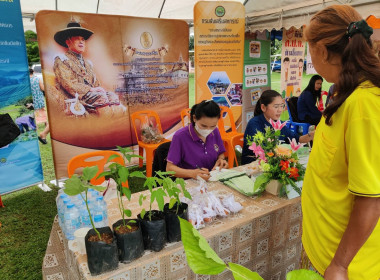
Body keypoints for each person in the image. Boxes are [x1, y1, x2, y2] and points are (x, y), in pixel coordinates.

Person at [301, 5, 380, 280]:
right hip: (325, 247)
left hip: (347, 265)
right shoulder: (345, 90)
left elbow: (371, 198)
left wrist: (340, 265)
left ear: (322, 50)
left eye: (310, 50)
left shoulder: (363, 105)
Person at [53, 21, 119, 112]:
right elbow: (68, 84)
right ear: (68, 42)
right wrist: (91, 89)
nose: (81, 42)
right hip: (76, 97)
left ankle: (116, 122)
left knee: (112, 96)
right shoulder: (61, 60)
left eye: (83, 39)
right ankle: (106, 123)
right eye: (77, 39)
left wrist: (98, 89)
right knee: (101, 97)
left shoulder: (88, 63)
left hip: (91, 96)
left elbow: (96, 83)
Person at [241, 90, 314, 165]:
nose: (280, 110)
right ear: (263, 107)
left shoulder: (279, 123)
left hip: (274, 163)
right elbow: (265, 151)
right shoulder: (254, 124)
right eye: (276, 106)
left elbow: (297, 139)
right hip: (254, 166)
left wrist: (312, 134)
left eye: (282, 106)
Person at [166, 100, 228, 180]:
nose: (208, 130)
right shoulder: (180, 137)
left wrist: (221, 160)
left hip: (211, 179)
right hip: (190, 182)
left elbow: (220, 152)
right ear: (194, 118)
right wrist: (192, 173)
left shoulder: (215, 131)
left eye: (212, 126)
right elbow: (169, 169)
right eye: (204, 126)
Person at [29, 68, 50, 144]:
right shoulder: (37, 79)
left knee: (35, 112)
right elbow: (42, 88)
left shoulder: (27, 81)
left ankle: (36, 126)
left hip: (32, 100)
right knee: (42, 111)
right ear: (33, 72)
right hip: (39, 98)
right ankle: (46, 125)